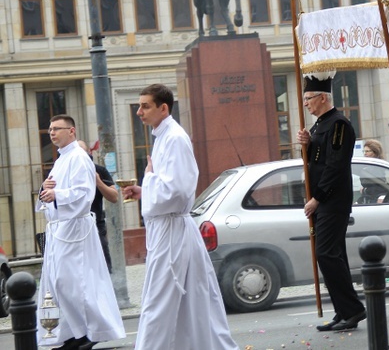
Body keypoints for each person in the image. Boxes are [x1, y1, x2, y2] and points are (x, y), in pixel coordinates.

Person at [122, 84, 238, 350]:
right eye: (139, 106)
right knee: (194, 299)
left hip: (172, 230)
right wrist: (144, 190)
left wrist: (148, 179)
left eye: (145, 106)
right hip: (170, 227)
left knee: (158, 300)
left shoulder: (174, 138)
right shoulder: (163, 136)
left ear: (164, 108)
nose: (139, 112)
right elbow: (168, 187)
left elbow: (178, 191)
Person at [36, 115, 125, 350]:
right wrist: (44, 192)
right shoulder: (61, 160)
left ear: (71, 131)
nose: (52, 133)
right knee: (58, 284)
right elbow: (51, 191)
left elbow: (84, 193)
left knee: (75, 283)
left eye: (57, 129)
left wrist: (57, 196)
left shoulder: (79, 158)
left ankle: (88, 332)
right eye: (50, 129)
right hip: (60, 229)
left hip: (75, 228)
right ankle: (73, 332)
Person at [295, 72, 367, 332]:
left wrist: (317, 198)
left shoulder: (338, 124)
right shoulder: (318, 125)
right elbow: (317, 157)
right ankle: (343, 311)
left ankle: (353, 309)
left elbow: (335, 166)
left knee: (326, 253)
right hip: (324, 200)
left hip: (333, 200)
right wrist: (307, 143)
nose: (305, 103)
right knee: (334, 255)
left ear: (323, 97)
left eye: (309, 98)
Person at [78, 140, 118, 273]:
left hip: (95, 227)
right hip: (74, 230)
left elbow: (114, 197)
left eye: (82, 153)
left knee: (103, 270)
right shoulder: (63, 171)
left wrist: (98, 182)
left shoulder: (99, 170)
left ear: (89, 153)